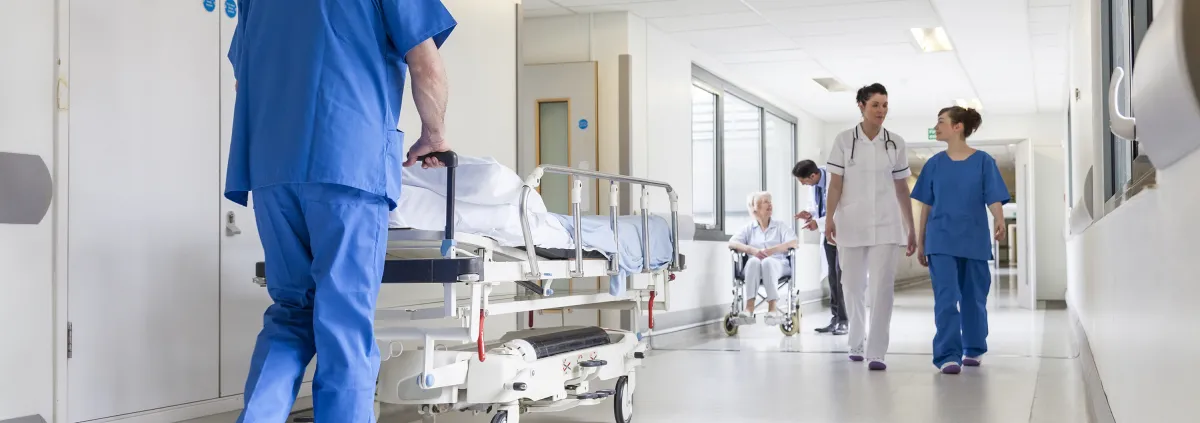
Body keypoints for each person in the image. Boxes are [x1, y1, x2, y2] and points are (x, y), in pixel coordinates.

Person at [223, 1, 457, 421]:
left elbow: (245, 82)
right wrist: (434, 136)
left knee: (291, 313)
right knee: (344, 319)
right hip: (348, 163)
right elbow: (426, 65)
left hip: (272, 169)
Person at [823, 83, 917, 371]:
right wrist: (829, 218)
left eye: (885, 105)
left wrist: (910, 227)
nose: (881, 110)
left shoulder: (895, 142)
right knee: (851, 286)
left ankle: (877, 350)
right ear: (861, 106)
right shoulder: (843, 140)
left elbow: (902, 188)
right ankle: (856, 339)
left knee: (882, 288)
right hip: (851, 223)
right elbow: (835, 184)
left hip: (887, 225)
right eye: (876, 104)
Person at [911, 106, 1010, 375]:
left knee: (974, 297)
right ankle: (947, 354)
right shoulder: (933, 164)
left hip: (974, 239)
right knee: (946, 297)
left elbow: (993, 196)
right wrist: (921, 241)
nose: (937, 126)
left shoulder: (983, 161)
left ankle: (973, 348)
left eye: (941, 122)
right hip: (940, 240)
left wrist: (999, 218)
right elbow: (926, 207)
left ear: (957, 127)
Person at [792, 160, 847, 336]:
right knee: (832, 277)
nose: (803, 184)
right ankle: (836, 318)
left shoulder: (835, 179)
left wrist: (819, 222)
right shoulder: (815, 184)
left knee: (841, 277)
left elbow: (841, 209)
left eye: (804, 180)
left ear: (813, 175)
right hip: (829, 234)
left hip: (842, 233)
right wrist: (810, 215)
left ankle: (844, 320)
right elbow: (821, 209)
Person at [728, 192, 798, 326]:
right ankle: (749, 308)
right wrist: (752, 250)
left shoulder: (780, 226)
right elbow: (731, 243)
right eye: (765, 201)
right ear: (755, 208)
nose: (770, 204)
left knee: (767, 261)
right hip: (753, 269)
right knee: (754, 260)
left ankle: (772, 308)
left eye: (770, 201)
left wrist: (772, 250)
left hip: (778, 265)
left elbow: (794, 243)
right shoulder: (749, 228)